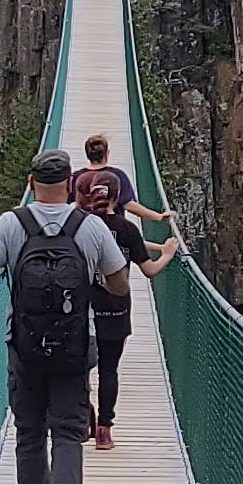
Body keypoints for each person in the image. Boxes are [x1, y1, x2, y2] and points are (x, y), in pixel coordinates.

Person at [0, 150, 131, 484]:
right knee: (69, 434)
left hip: (24, 347)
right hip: (74, 349)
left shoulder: (10, 224)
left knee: (30, 431)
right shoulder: (89, 226)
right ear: (70, 185)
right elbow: (120, 285)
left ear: (30, 181)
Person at [73, 162, 178, 448]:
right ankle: (105, 430)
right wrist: (167, 253)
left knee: (78, 367)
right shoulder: (127, 229)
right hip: (116, 309)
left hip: (82, 310)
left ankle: (84, 418)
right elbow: (150, 271)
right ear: (118, 197)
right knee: (109, 369)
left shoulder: (77, 227)